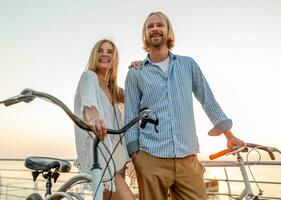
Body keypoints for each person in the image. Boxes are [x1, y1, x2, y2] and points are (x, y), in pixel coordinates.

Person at [124, 11, 245, 200]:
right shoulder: (136, 73)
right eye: (150, 26)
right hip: (150, 158)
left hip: (188, 159)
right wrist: (136, 157)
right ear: (145, 34)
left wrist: (229, 135)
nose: (155, 29)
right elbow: (130, 115)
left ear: (168, 31)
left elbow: (208, 100)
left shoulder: (188, 65)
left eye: (160, 25)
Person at [74, 39, 134, 200]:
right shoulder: (89, 77)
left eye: (110, 52)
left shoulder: (114, 90)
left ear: (115, 58)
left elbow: (136, 95)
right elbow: (88, 101)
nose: (105, 54)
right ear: (95, 55)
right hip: (102, 157)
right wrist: (93, 117)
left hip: (118, 159)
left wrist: (139, 69)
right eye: (100, 51)